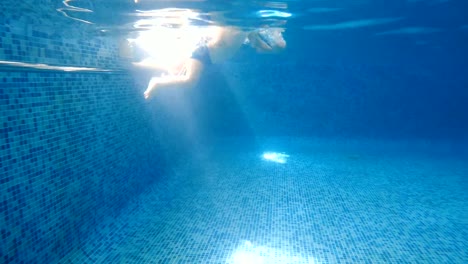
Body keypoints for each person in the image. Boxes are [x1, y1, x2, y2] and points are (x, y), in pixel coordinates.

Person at [132, 25, 287, 99]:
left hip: (212, 57)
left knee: (176, 68)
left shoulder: (251, 30)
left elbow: (260, 48)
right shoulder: (226, 20)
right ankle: (156, 82)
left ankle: (141, 65)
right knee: (189, 80)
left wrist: (277, 47)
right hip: (204, 52)